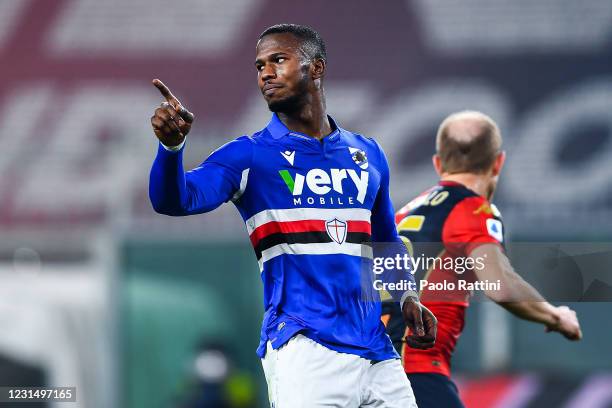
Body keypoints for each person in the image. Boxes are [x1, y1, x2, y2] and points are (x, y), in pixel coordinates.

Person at [149, 23, 436, 407]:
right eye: (259, 65)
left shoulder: (367, 154)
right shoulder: (248, 155)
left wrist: (406, 297)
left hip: (376, 352)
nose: (265, 72)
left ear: (315, 68)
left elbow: (386, 241)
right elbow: (175, 200)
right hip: (305, 348)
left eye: (278, 60)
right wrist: (172, 149)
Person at [383, 110, 582, 408]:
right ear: (498, 162)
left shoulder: (402, 214)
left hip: (372, 371)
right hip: (415, 373)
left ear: (438, 163)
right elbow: (499, 284)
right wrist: (556, 317)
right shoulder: (472, 210)